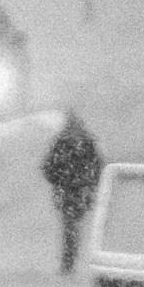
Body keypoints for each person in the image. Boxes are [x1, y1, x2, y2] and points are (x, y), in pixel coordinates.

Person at [43, 112, 104, 275]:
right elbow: (97, 167)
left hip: (72, 190)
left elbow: (49, 167)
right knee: (72, 225)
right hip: (75, 190)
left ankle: (70, 260)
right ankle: (71, 260)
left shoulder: (65, 144)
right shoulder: (83, 144)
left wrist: (60, 178)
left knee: (71, 225)